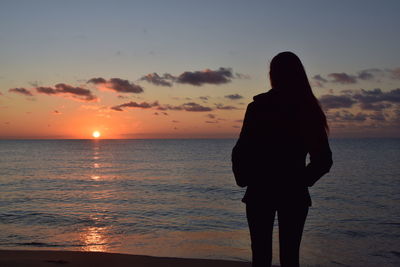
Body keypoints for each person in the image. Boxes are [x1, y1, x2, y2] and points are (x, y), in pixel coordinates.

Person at [232, 51, 333, 267]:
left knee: (260, 257)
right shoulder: (308, 109)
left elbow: (240, 151)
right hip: (293, 192)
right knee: (290, 257)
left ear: (273, 75)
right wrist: (300, 179)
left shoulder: (258, 107)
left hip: (261, 188)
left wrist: (246, 178)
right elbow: (323, 160)